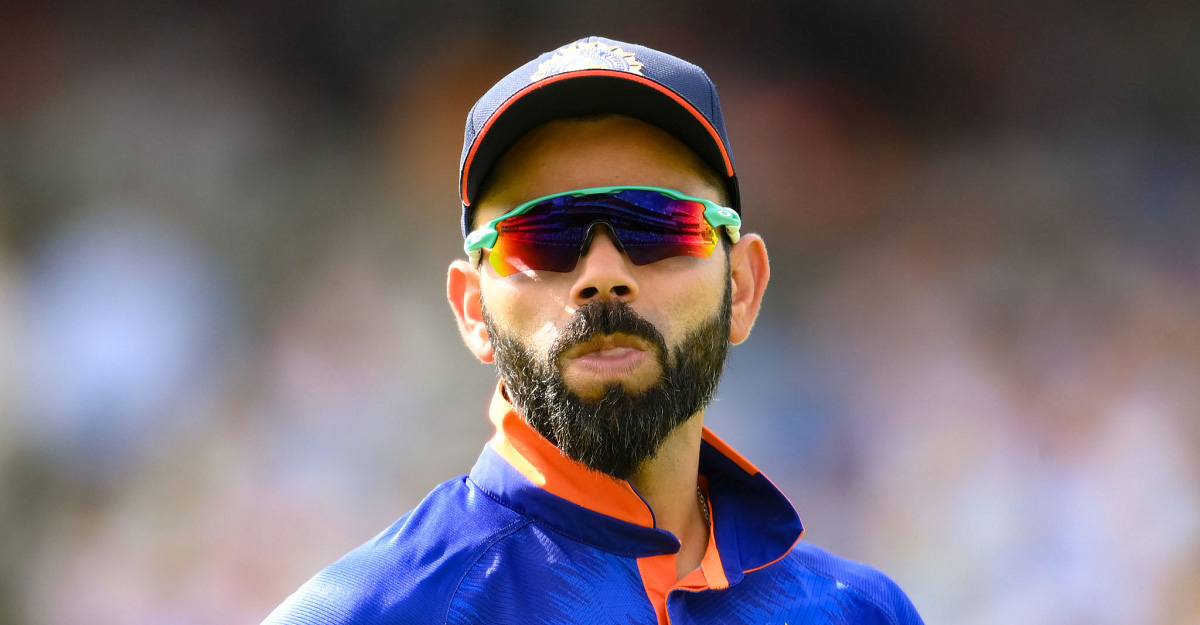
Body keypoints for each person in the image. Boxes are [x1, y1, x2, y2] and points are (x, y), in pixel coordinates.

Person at [263, 36, 924, 625]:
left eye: (658, 223)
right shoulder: (366, 614)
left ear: (743, 287)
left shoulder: (859, 611)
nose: (603, 276)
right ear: (472, 310)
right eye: (540, 234)